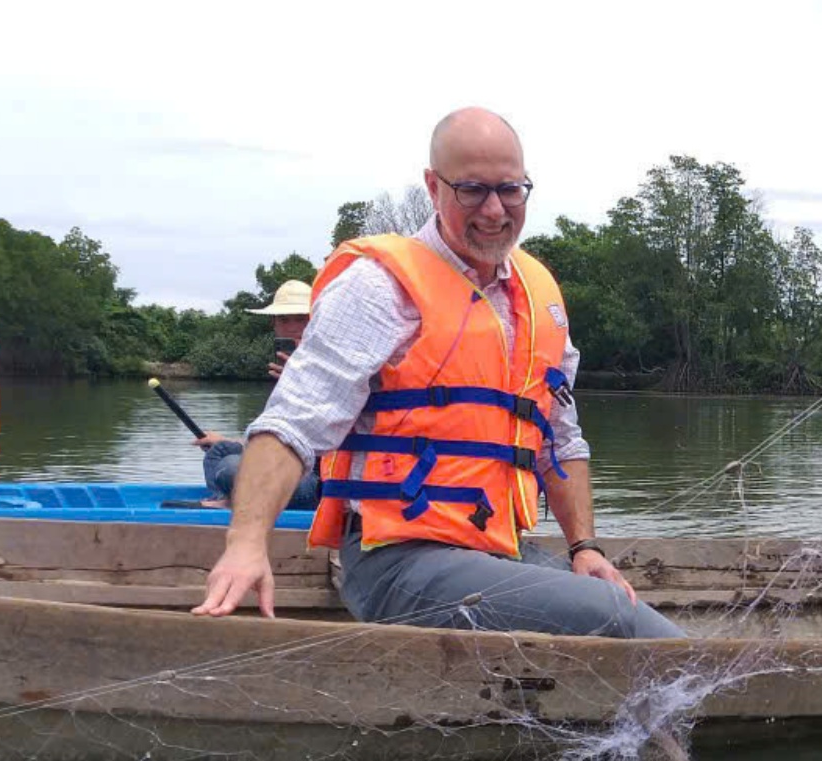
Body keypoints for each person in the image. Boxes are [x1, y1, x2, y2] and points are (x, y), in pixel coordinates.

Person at [191, 107, 681, 640]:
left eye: (510, 190)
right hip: (397, 562)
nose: (494, 210)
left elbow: (560, 442)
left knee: (612, 598)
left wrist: (584, 548)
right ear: (433, 185)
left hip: (495, 551)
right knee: (623, 623)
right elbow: (291, 424)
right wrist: (245, 545)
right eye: (472, 190)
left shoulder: (539, 299)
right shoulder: (379, 286)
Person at [194, 278, 321, 509]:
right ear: (275, 325)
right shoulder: (280, 372)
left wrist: (301, 381)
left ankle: (236, 502)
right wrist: (225, 440)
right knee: (220, 452)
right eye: (284, 319)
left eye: (301, 319)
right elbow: (276, 437)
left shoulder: (332, 368)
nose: (292, 327)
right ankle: (230, 500)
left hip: (313, 478)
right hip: (276, 463)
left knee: (232, 469)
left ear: (316, 321)